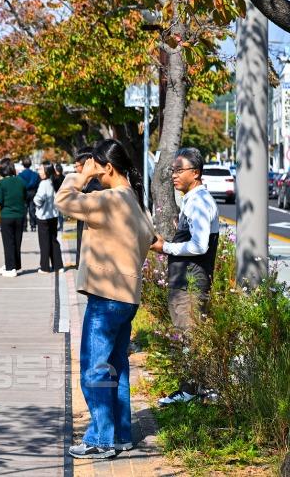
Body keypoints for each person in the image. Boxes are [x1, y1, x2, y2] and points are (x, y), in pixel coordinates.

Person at [55, 139, 156, 459]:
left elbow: (64, 201)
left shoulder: (110, 199)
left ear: (108, 167)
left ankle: (101, 437)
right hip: (127, 297)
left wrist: (78, 177)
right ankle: (121, 433)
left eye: (95, 165)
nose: (91, 171)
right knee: (117, 367)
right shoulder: (135, 202)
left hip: (105, 297)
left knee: (95, 368)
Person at [150, 147, 219, 405]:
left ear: (196, 172)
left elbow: (200, 245)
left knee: (190, 337)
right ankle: (198, 388)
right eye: (173, 170)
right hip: (185, 282)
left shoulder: (199, 202)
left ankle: (191, 390)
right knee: (190, 336)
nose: (174, 175)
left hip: (191, 283)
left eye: (180, 170)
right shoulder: (191, 200)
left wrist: (166, 247)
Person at [0, 158, 27, 277]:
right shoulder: (21, 181)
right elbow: (25, 197)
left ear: (2, 170)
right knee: (17, 242)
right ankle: (14, 265)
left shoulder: (1, 183)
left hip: (7, 215)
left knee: (8, 243)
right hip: (20, 215)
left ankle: (10, 268)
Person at [73, 147, 104, 266]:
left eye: (77, 166)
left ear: (87, 165)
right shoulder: (89, 185)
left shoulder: (95, 187)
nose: (76, 170)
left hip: (92, 249)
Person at [34, 162, 64, 274]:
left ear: (46, 171)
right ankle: (58, 266)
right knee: (53, 241)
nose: (39, 172)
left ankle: (45, 267)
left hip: (43, 216)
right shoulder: (53, 182)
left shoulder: (44, 183)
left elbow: (39, 199)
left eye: (41, 169)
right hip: (54, 215)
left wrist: (35, 201)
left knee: (44, 242)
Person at [18, 157, 40, 231]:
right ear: (30, 164)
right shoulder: (35, 175)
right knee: (32, 209)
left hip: (24, 193)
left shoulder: (20, 175)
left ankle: (24, 227)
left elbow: (19, 185)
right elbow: (37, 185)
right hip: (33, 192)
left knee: (24, 210)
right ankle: (33, 225)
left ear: (23, 165)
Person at [54, 163, 65, 231]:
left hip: (57, 196)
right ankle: (61, 226)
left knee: (57, 213)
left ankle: (59, 226)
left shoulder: (55, 178)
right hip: (63, 196)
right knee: (60, 213)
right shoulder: (64, 177)